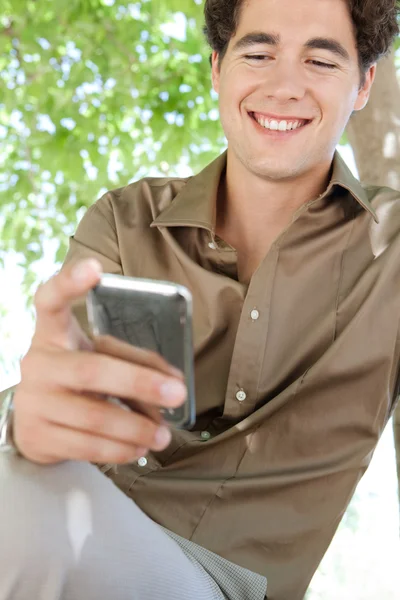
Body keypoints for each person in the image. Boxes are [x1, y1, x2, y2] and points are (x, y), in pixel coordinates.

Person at [0, 0, 399, 598]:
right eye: (259, 54)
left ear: (364, 82)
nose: (284, 85)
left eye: (320, 60)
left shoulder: (391, 252)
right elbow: (62, 411)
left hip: (221, 578)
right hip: (68, 507)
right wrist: (27, 420)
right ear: (217, 68)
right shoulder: (125, 218)